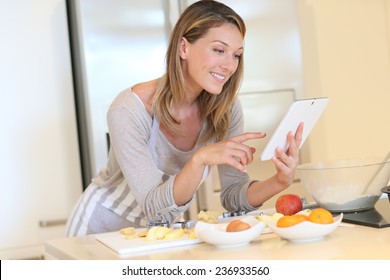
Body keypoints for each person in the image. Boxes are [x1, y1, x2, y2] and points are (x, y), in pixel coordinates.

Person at [65, 0, 303, 237]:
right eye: (219, 50)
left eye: (236, 55)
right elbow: (155, 207)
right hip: (98, 231)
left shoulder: (226, 109)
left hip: (158, 233)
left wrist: (279, 181)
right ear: (183, 48)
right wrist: (199, 160)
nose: (229, 65)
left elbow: (233, 196)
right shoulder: (129, 109)